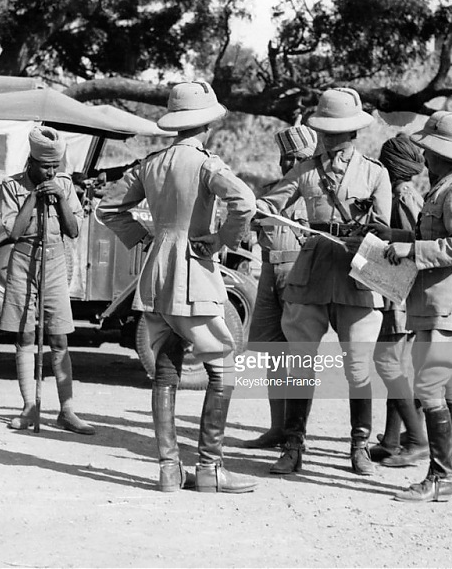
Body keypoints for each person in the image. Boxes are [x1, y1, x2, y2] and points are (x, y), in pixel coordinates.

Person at [97, 81, 257, 494]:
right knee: (223, 369)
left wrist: (146, 238)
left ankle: (169, 470)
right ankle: (210, 468)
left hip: (155, 279)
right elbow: (245, 202)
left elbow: (109, 207)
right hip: (195, 278)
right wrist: (223, 239)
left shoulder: (150, 164)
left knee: (165, 371)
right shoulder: (207, 165)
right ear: (206, 124)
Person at [256, 87, 391, 476]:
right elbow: (272, 202)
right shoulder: (305, 170)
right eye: (326, 130)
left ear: (354, 133)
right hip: (311, 274)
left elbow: (386, 230)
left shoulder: (375, 173)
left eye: (339, 131)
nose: (332, 138)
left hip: (358, 277)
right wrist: (259, 211)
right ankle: (293, 446)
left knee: (358, 368)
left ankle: (359, 446)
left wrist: (364, 235)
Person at [381, 111, 452, 503]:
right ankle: (451, 478)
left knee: (429, 386)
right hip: (440, 301)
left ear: (441, 152)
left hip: (449, 303)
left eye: (429, 149)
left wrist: (411, 249)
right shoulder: (446, 186)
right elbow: (434, 235)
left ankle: (441, 477)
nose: (424, 156)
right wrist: (394, 235)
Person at [0, 126, 94, 435]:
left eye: (56, 166)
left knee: (59, 337)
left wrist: (60, 198)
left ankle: (66, 411)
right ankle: (29, 407)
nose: (51, 172)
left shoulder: (64, 186)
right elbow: (13, 232)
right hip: (24, 261)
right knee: (25, 337)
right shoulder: (11, 186)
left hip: (54, 262)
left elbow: (73, 230)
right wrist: (33, 198)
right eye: (46, 166)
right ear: (32, 161)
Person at [241, 125, 316, 450]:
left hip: (301, 273)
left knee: (300, 356)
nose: (290, 165)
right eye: (286, 158)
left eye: (297, 158)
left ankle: (295, 433)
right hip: (270, 272)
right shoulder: (272, 192)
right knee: (274, 355)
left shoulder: (318, 194)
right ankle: (276, 427)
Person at [369, 135, 429, 467]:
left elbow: (418, 242)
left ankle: (417, 439)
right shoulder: (396, 194)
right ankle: (391, 441)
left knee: (387, 362)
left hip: (399, 290)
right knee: (393, 363)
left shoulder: (403, 196)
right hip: (394, 288)